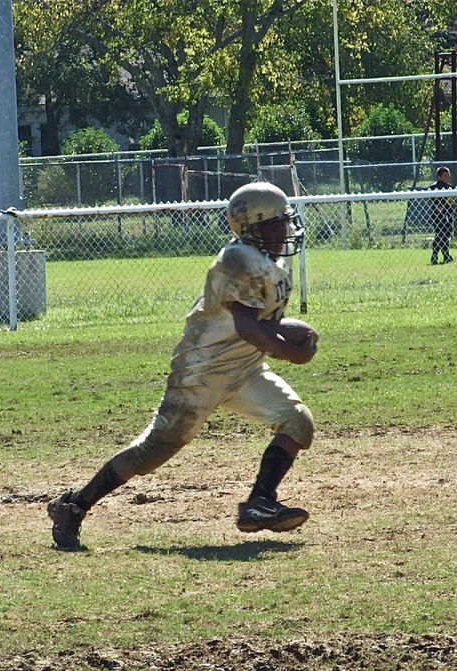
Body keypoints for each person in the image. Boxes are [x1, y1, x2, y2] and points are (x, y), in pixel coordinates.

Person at [47, 180, 316, 551]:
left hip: (245, 369)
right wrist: (293, 351)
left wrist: (291, 331)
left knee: (298, 422)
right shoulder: (238, 260)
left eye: (284, 221)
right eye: (274, 224)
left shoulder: (271, 262)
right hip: (201, 372)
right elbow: (248, 325)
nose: (284, 230)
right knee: (150, 453)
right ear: (250, 228)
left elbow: (262, 324)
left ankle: (259, 502)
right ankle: (74, 506)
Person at [428, 166, 455, 264]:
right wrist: (439, 206)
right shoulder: (435, 187)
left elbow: (451, 202)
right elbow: (435, 201)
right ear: (439, 177)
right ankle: (435, 255)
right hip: (438, 216)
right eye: (445, 175)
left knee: (446, 235)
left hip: (448, 214)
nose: (448, 177)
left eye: (449, 174)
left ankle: (446, 255)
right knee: (440, 235)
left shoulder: (450, 188)